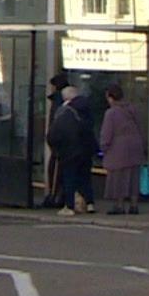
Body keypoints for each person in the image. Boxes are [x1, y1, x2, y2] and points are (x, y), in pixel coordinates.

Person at [48, 85, 97, 216]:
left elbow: (56, 132)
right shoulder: (87, 108)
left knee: (69, 177)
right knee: (85, 177)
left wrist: (55, 147)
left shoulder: (64, 111)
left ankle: (69, 206)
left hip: (69, 149)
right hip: (86, 149)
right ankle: (89, 203)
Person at [98, 84, 146, 215]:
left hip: (118, 148)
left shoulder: (111, 113)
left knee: (118, 177)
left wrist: (103, 147)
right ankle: (134, 205)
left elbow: (106, 133)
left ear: (110, 98)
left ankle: (119, 205)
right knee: (133, 176)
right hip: (135, 145)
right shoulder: (133, 109)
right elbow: (141, 127)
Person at [42, 73, 70, 208]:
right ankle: (59, 196)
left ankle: (54, 196)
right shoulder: (65, 101)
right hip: (64, 142)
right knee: (61, 170)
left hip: (58, 142)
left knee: (55, 170)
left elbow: (55, 122)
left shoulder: (58, 101)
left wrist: (52, 139)